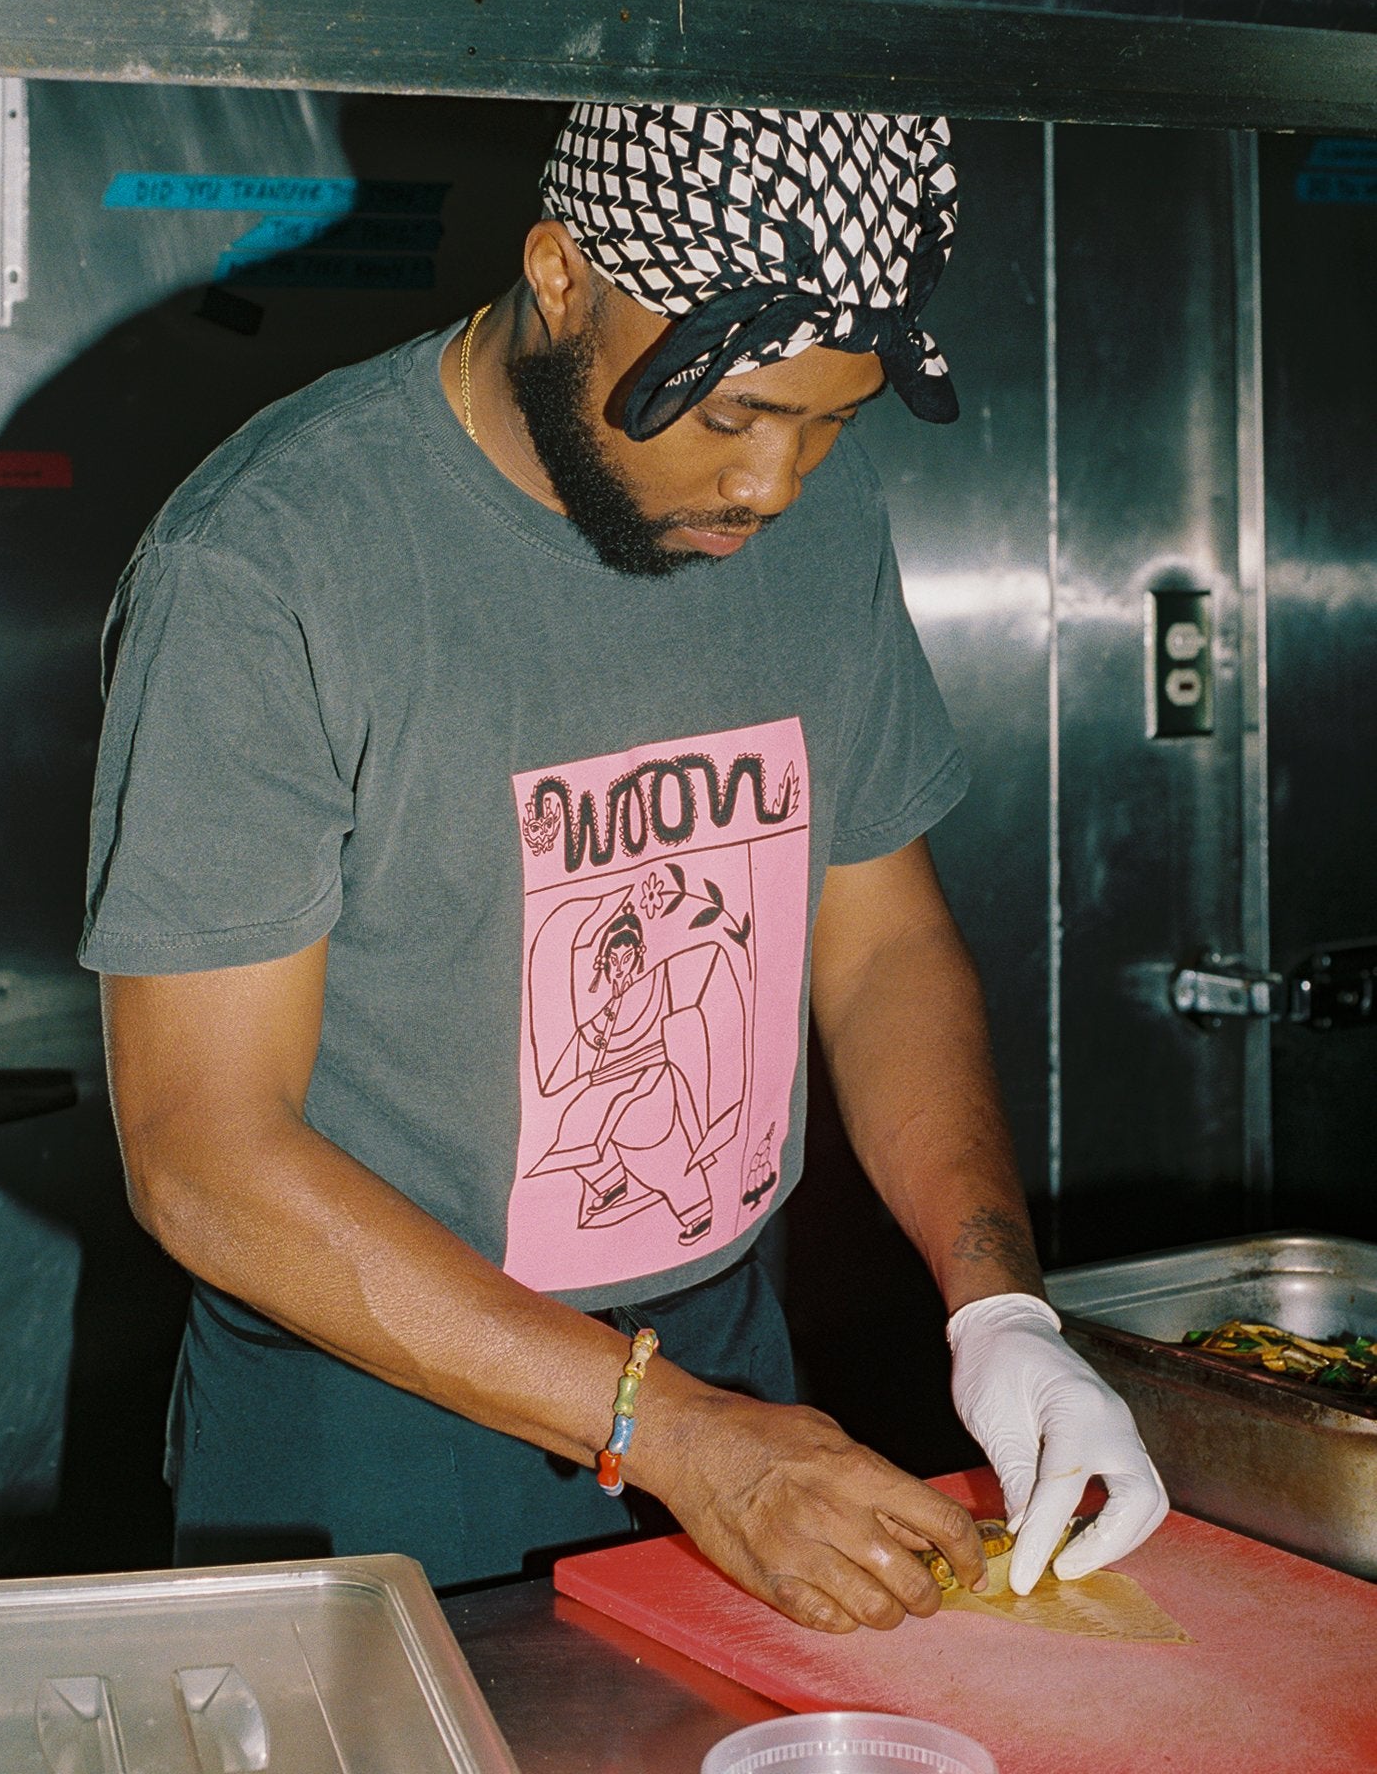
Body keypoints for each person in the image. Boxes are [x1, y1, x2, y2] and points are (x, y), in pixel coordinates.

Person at [82, 103, 1166, 1632]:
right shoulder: (273, 564)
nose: (774, 485)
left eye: (828, 422)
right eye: (727, 419)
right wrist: (675, 1439)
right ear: (564, 277)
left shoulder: (810, 512)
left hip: (729, 1360)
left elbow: (878, 949)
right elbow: (203, 1156)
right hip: (377, 1409)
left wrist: (997, 1304)